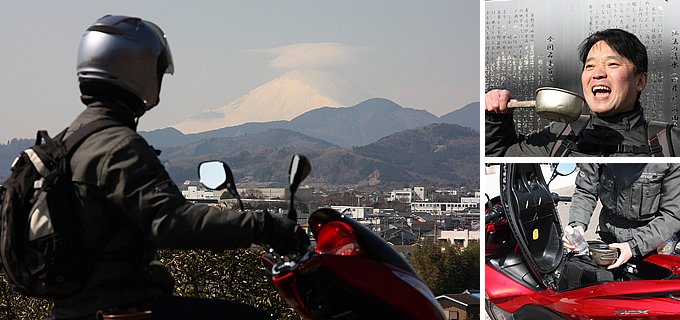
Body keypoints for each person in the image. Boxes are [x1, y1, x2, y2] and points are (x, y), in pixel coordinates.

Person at [49, 15, 309, 319]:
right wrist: (264, 226)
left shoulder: (65, 143)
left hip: (74, 308)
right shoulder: (117, 147)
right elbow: (172, 222)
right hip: (123, 308)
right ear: (137, 71)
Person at [485, 28, 680, 157]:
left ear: (640, 81)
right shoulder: (561, 135)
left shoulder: (669, 141)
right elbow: (502, 155)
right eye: (590, 66)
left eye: (612, 64)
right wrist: (496, 119)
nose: (598, 74)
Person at [562, 163, 680, 270]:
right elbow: (586, 191)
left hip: (651, 246)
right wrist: (577, 225)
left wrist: (633, 247)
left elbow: (672, 214)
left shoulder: (670, 163)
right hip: (609, 242)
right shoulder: (600, 152)